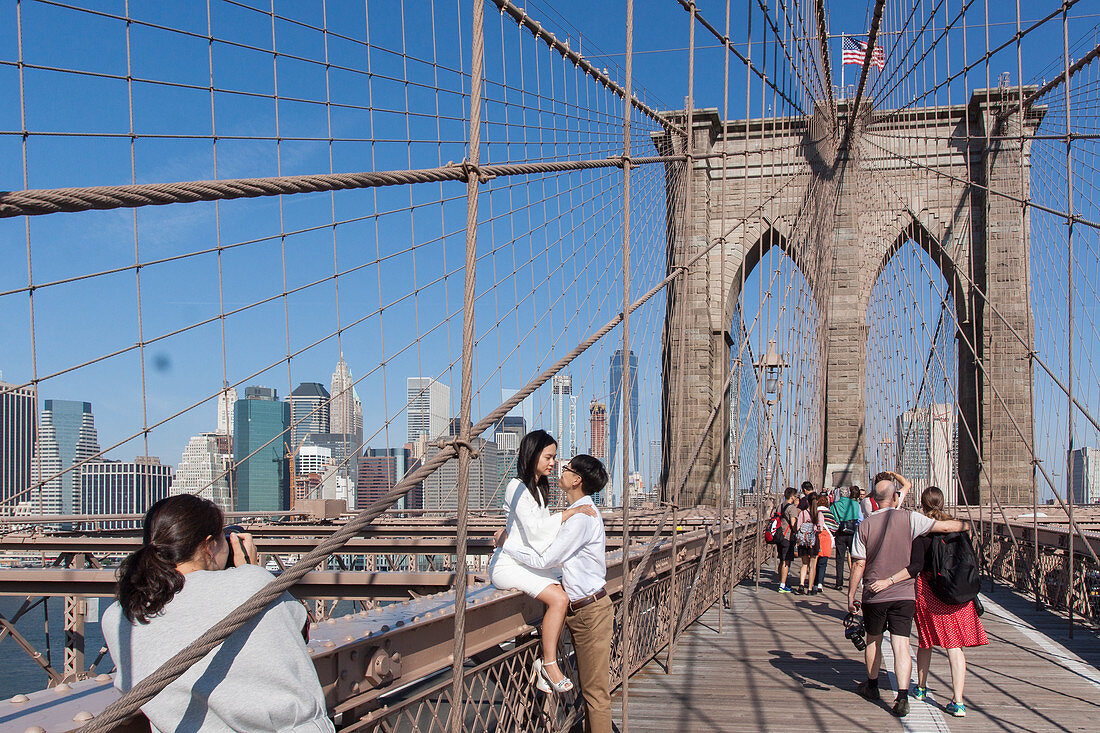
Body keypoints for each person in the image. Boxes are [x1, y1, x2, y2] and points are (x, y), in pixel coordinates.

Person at [102, 494, 335, 732]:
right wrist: (249, 570)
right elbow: (300, 630)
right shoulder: (251, 583)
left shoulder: (117, 617)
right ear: (209, 546)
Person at [502, 455, 612, 733]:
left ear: (577, 480)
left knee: (595, 695)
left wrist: (506, 544)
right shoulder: (579, 512)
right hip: (582, 608)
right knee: (591, 693)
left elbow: (545, 560)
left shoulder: (581, 519)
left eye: (566, 468)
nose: (560, 470)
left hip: (590, 612)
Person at [847, 471, 968, 718]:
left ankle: (872, 687)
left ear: (873, 499)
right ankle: (902, 697)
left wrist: (851, 596)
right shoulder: (911, 518)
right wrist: (966, 525)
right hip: (904, 594)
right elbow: (944, 526)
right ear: (895, 497)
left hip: (874, 593)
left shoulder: (865, 525)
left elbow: (858, 564)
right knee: (901, 644)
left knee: (874, 640)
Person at [489, 430, 597, 692]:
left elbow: (541, 538)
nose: (553, 463)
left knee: (565, 593)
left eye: (554, 457)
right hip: (509, 565)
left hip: (527, 562)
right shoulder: (516, 487)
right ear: (533, 454)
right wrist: (569, 513)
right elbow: (537, 532)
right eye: (548, 457)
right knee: (559, 599)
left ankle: (546, 664)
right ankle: (548, 664)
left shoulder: (539, 488)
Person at [870, 486, 986, 718]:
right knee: (955, 646)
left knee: (926, 640)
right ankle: (959, 701)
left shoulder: (922, 529)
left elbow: (915, 566)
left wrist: (890, 580)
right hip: (957, 593)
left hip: (929, 591)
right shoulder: (958, 528)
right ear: (942, 503)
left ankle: (921, 688)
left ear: (922, 505)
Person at [830, 485, 864, 589]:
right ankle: (855, 581)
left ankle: (839, 583)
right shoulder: (855, 504)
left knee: (840, 558)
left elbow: (833, 519)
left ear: (839, 494)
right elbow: (860, 519)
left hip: (840, 533)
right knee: (854, 558)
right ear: (848, 494)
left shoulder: (834, 506)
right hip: (853, 532)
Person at [777, 487, 800, 593]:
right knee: (786, 561)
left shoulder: (780, 506)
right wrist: (797, 530)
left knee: (781, 559)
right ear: (792, 497)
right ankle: (782, 585)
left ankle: (780, 581)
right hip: (787, 537)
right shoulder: (792, 508)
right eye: (795, 496)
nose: (796, 498)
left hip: (779, 536)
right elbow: (793, 523)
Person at [810, 494, 833, 594]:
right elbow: (835, 526)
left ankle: (813, 584)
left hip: (816, 538)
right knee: (823, 563)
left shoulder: (814, 512)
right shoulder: (830, 513)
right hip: (826, 539)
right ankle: (820, 583)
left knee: (814, 561)